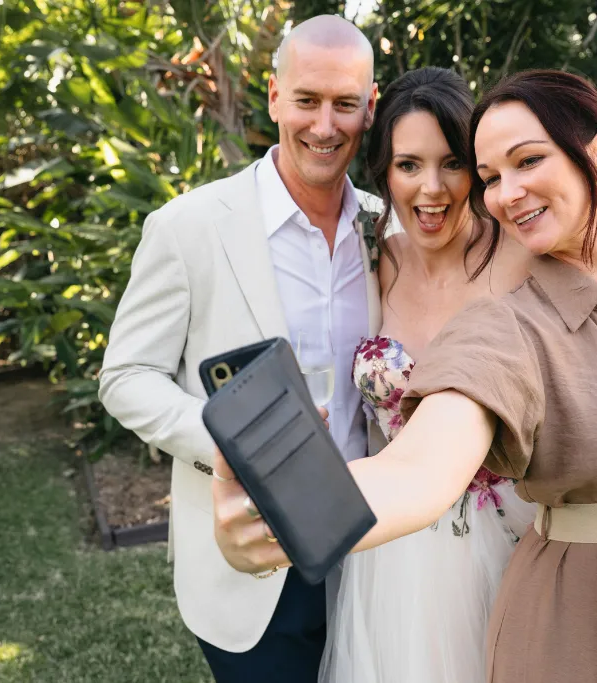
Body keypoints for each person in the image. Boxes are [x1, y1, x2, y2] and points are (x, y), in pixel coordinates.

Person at [214, 68, 597, 682]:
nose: (504, 193)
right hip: (578, 634)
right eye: (490, 176)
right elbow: (419, 472)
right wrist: (289, 516)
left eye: (526, 162)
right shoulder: (503, 327)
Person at [98, 15, 385, 683]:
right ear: (274, 96)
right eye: (308, 100)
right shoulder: (188, 226)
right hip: (252, 560)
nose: (325, 124)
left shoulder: (387, 224)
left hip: (377, 551)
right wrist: (234, 439)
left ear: (370, 108)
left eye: (345, 103)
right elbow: (126, 375)